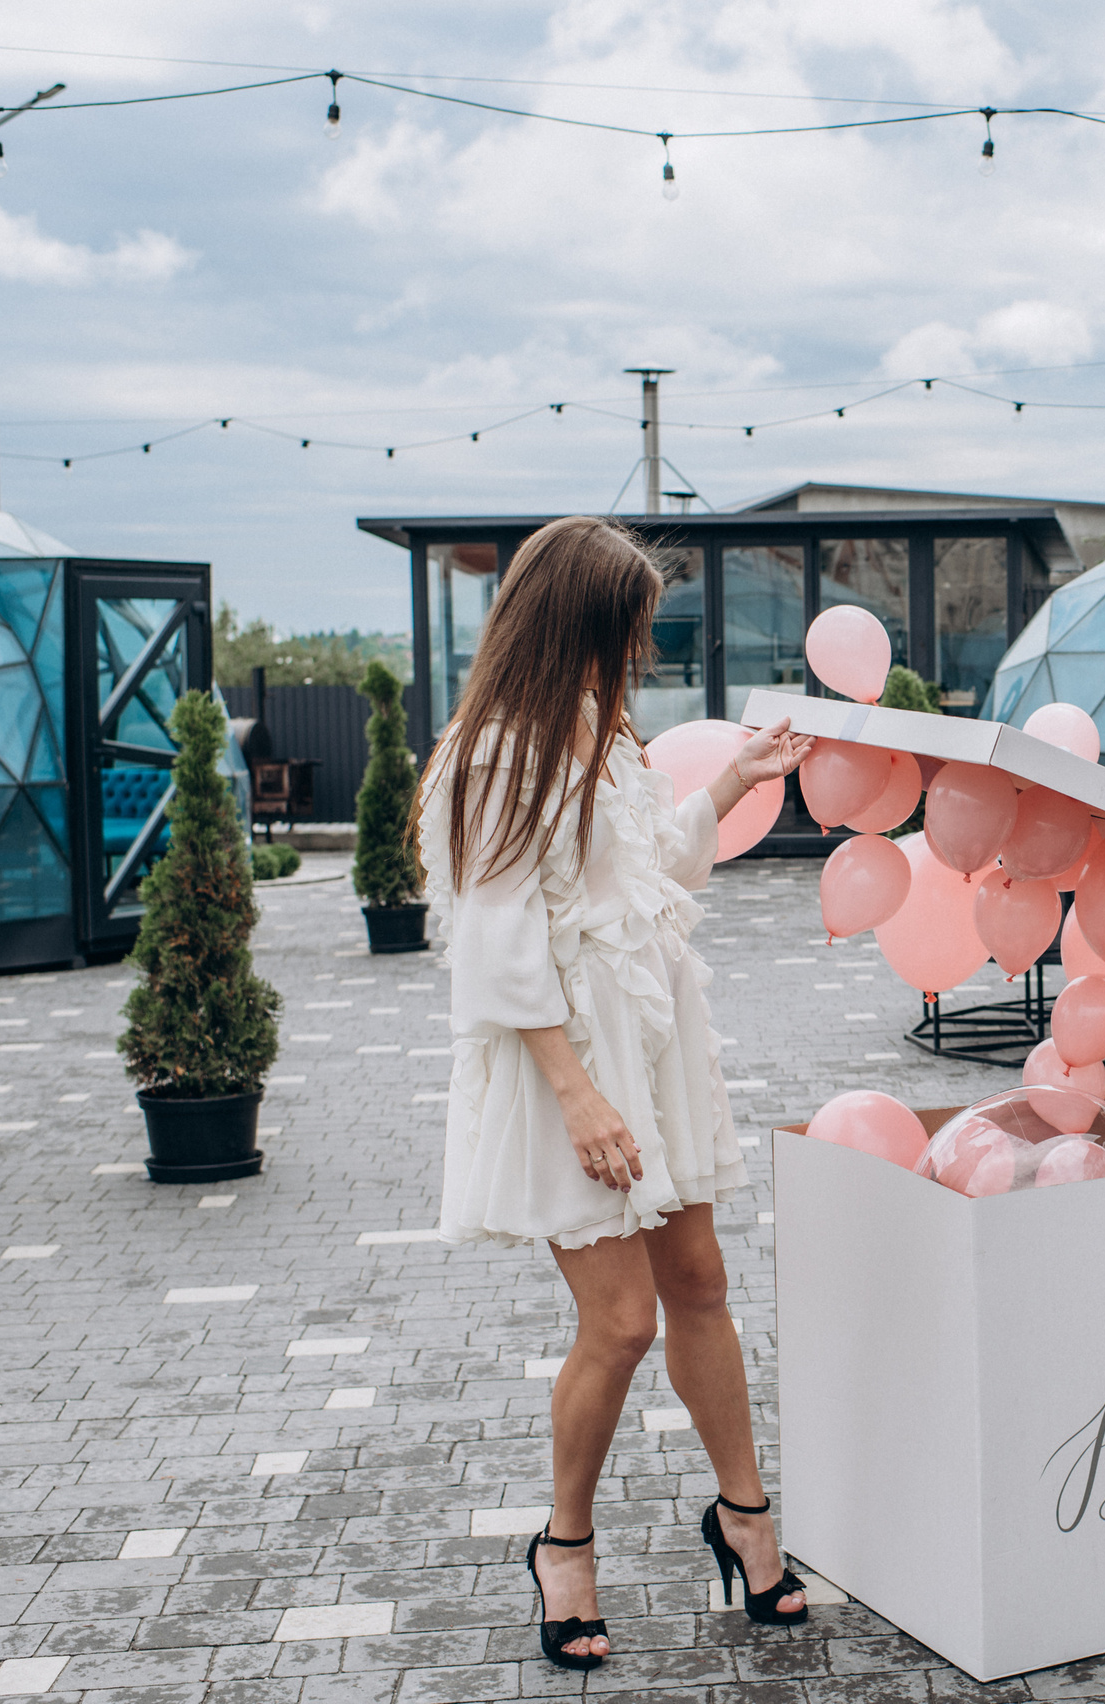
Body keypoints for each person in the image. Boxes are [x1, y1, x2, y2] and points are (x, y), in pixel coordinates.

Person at [419, 516, 816, 1670]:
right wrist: (578, 1094)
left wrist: (735, 782)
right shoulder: (495, 750)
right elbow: (494, 942)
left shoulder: (599, 728)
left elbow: (649, 877)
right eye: (628, 626)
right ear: (577, 621)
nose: (639, 648)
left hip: (647, 1044)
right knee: (622, 1318)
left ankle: (743, 1515)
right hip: (568, 1066)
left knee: (699, 1282)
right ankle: (565, 1545)